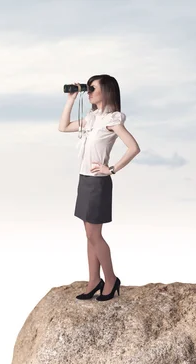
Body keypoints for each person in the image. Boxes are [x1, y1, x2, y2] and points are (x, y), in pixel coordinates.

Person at [58, 75, 141, 301]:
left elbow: (134, 148)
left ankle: (111, 279)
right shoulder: (93, 118)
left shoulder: (112, 120)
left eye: (93, 88)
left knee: (94, 234)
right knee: (89, 235)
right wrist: (71, 99)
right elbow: (63, 127)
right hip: (84, 180)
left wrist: (111, 169)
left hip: (97, 183)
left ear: (106, 91)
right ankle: (94, 280)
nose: (89, 92)